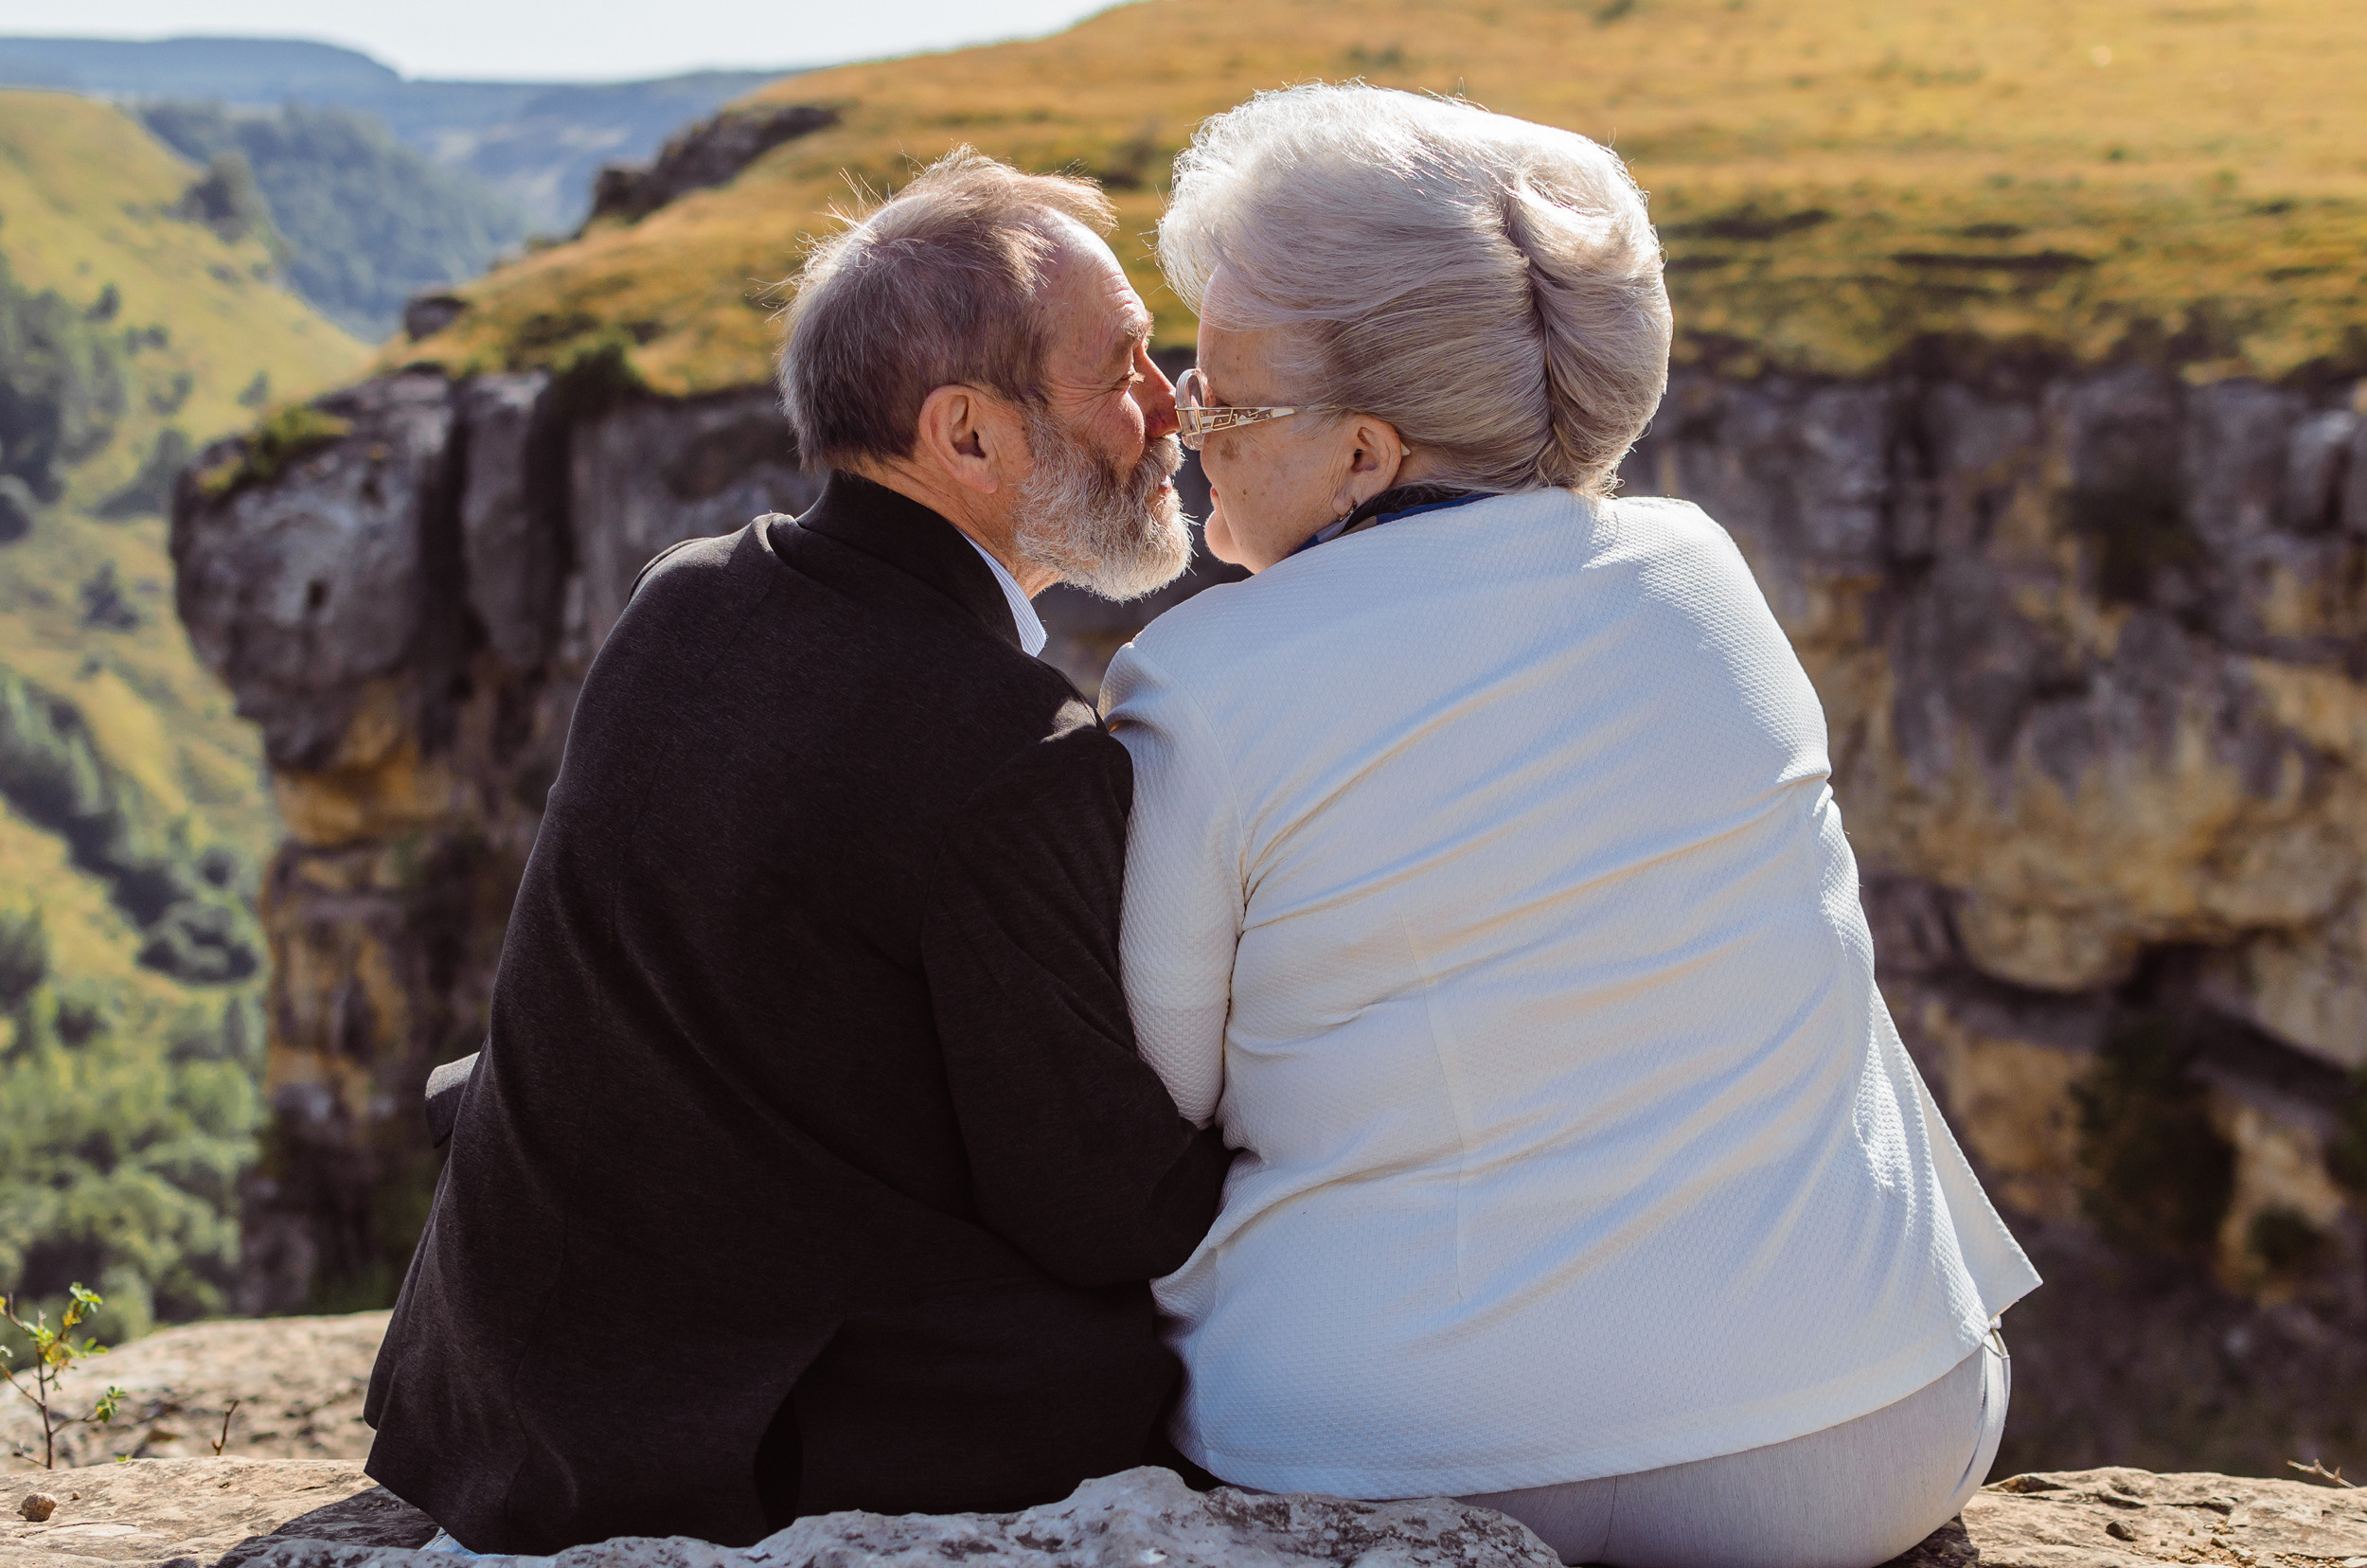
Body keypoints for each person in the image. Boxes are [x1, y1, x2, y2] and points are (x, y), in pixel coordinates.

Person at [1104, 85, 2041, 1568]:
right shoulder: (1698, 568)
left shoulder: (1199, 677)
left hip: (1394, 1451)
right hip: (1866, 1429)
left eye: (1226, 395)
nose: (1189, 423)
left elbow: (1162, 1084)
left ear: (1365, 453)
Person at [364, 149, 1232, 1556]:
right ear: (967, 436)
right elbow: (1101, 1211)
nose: (1168, 407)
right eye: (1123, 363)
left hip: (495, 1395)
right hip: (732, 1443)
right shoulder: (1017, 749)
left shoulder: (684, 595)